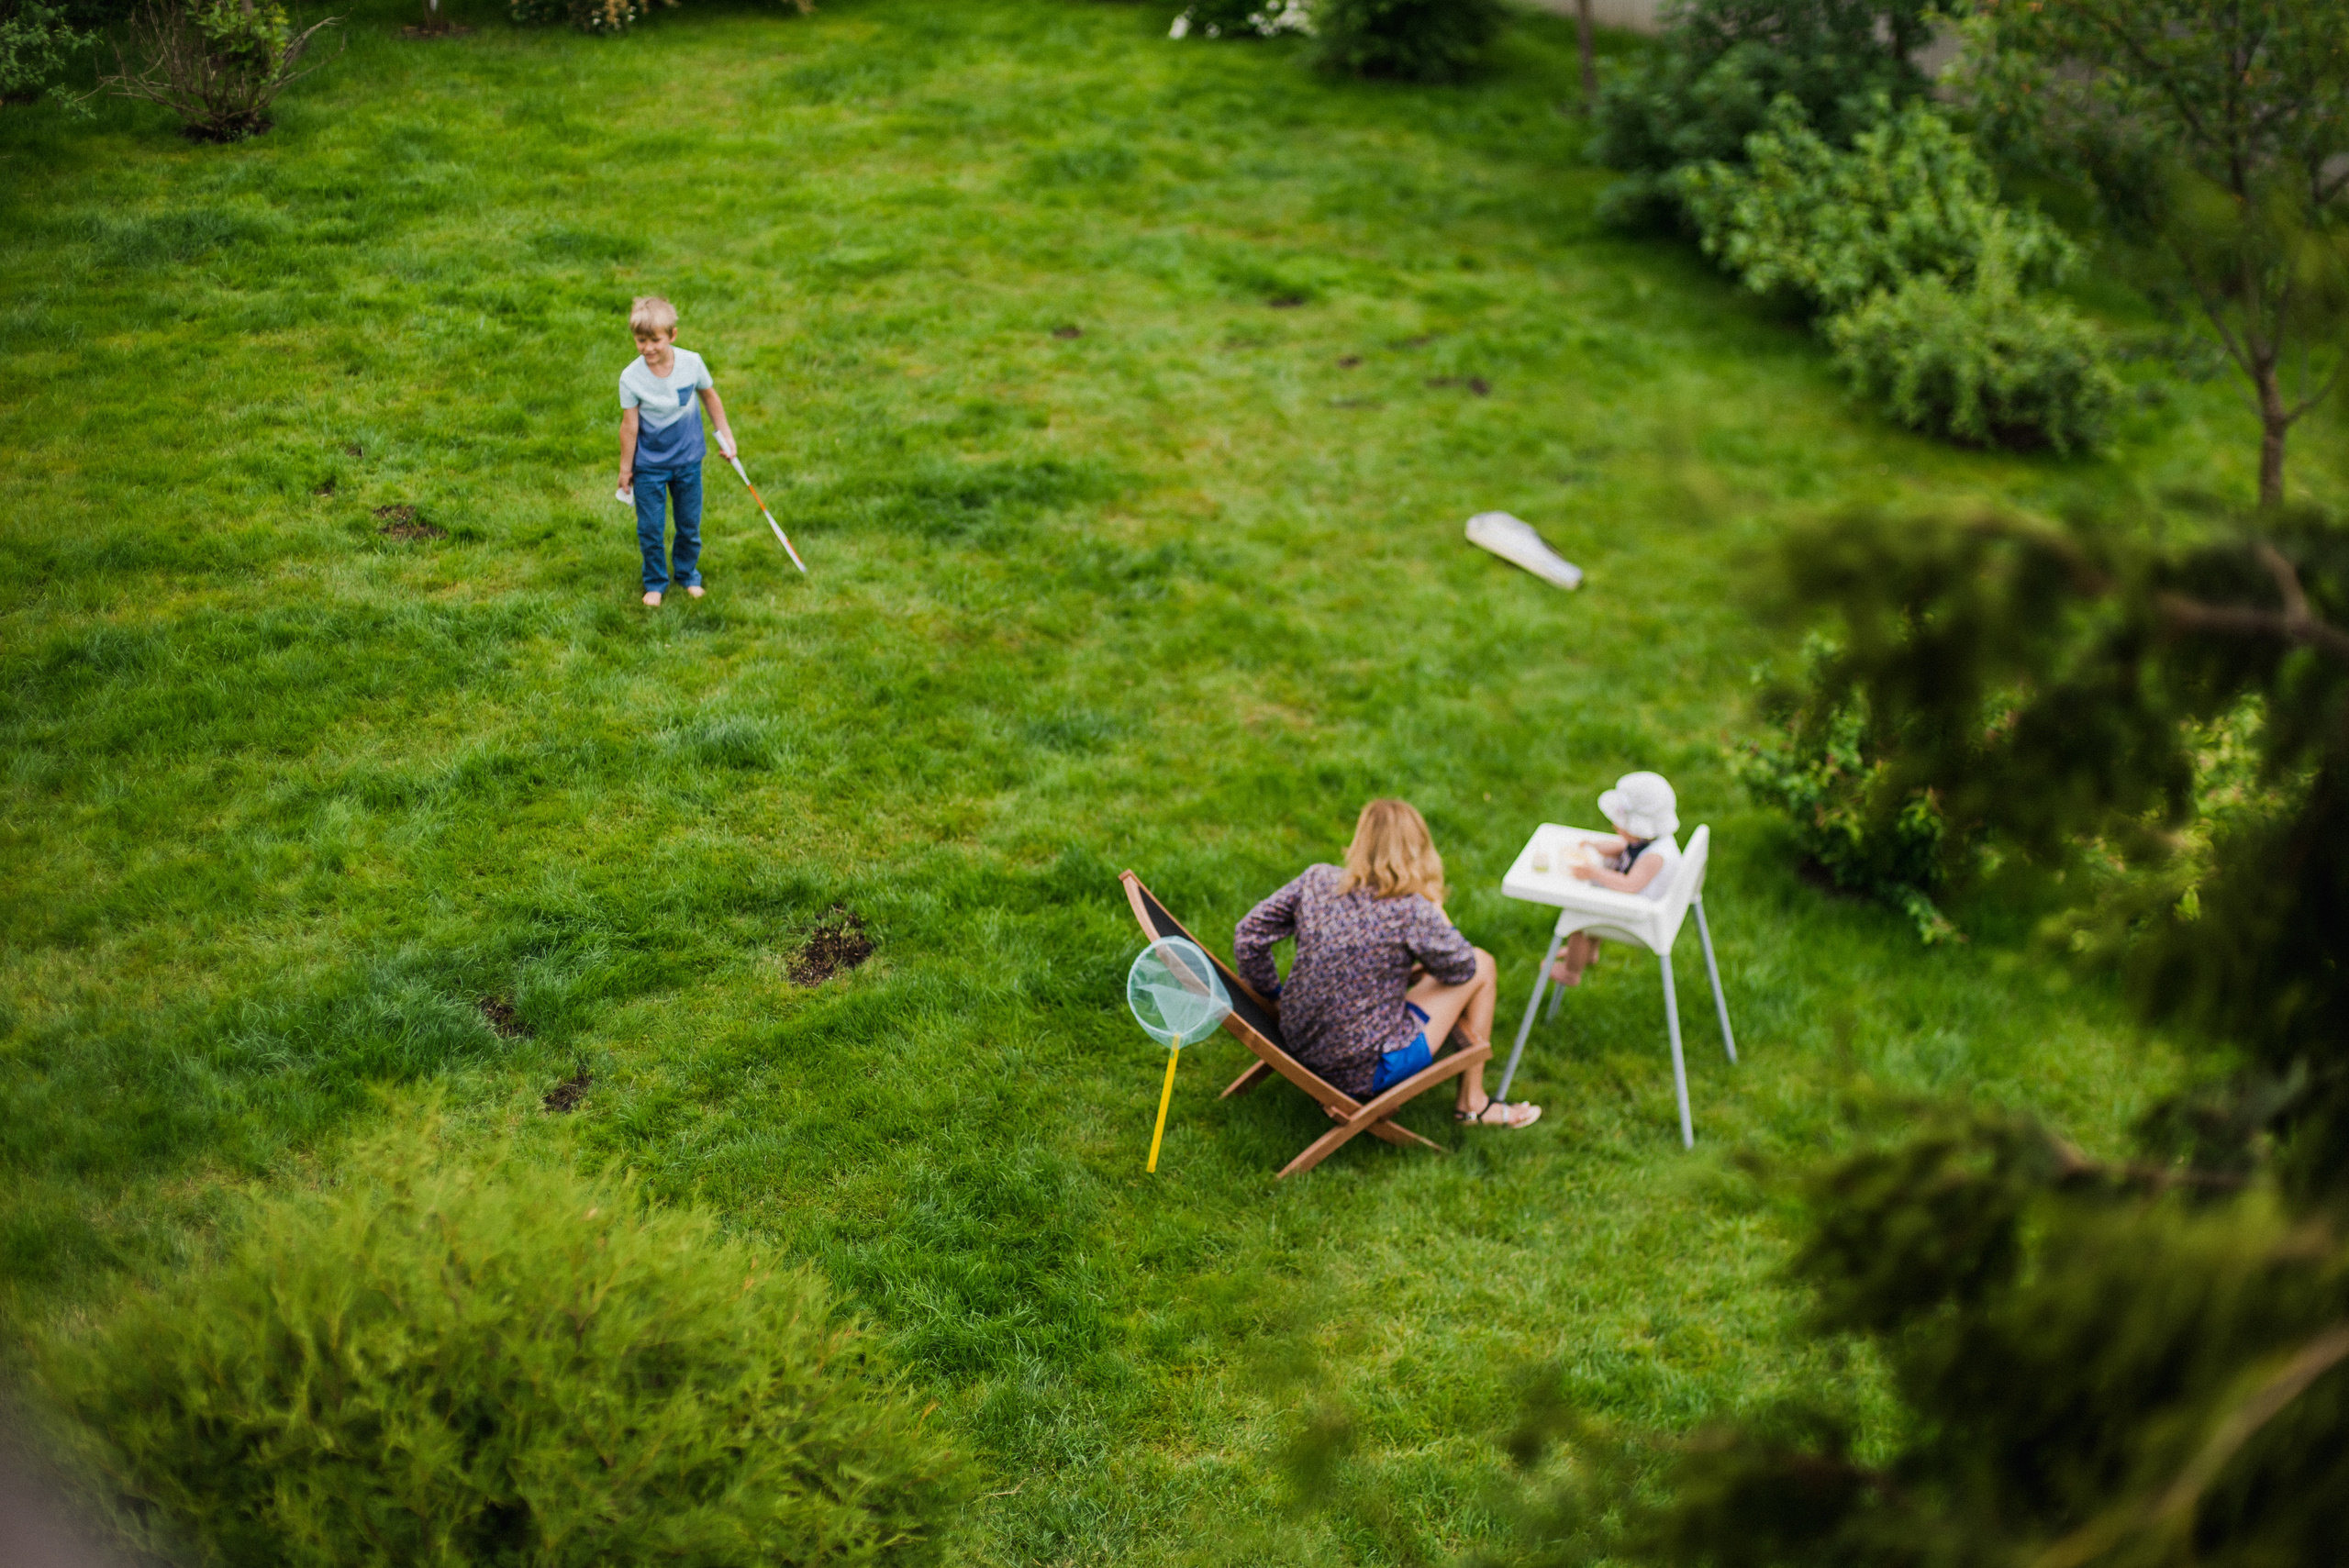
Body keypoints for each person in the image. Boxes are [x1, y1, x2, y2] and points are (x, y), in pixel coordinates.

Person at [1234, 799, 1541, 1129]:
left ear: (1361, 840)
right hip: (1360, 1069)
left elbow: (1248, 934)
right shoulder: (1411, 909)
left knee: (1424, 971)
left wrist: (1273, 996)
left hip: (1297, 1037)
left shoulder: (1317, 880)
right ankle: (1473, 1104)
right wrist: (1437, 911)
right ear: (1417, 849)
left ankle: (1472, 1101)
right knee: (1483, 963)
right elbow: (1463, 968)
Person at [617, 296, 738, 608]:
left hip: (688, 461)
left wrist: (726, 435)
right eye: (640, 340)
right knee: (650, 529)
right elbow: (629, 426)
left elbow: (710, 397)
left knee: (688, 525)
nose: (648, 348)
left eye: (655, 340)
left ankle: (687, 575)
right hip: (649, 466)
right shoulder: (631, 377)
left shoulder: (691, 363)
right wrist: (625, 469)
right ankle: (655, 582)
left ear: (672, 335)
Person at [1550, 771, 1682, 986]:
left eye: (1621, 824)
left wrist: (1594, 872)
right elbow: (1625, 847)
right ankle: (1586, 954)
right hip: (1636, 905)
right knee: (1593, 908)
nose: (1615, 826)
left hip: (1640, 915)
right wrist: (1596, 847)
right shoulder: (1652, 838)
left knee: (1581, 917)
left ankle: (1571, 971)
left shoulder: (1655, 857)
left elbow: (1629, 885)